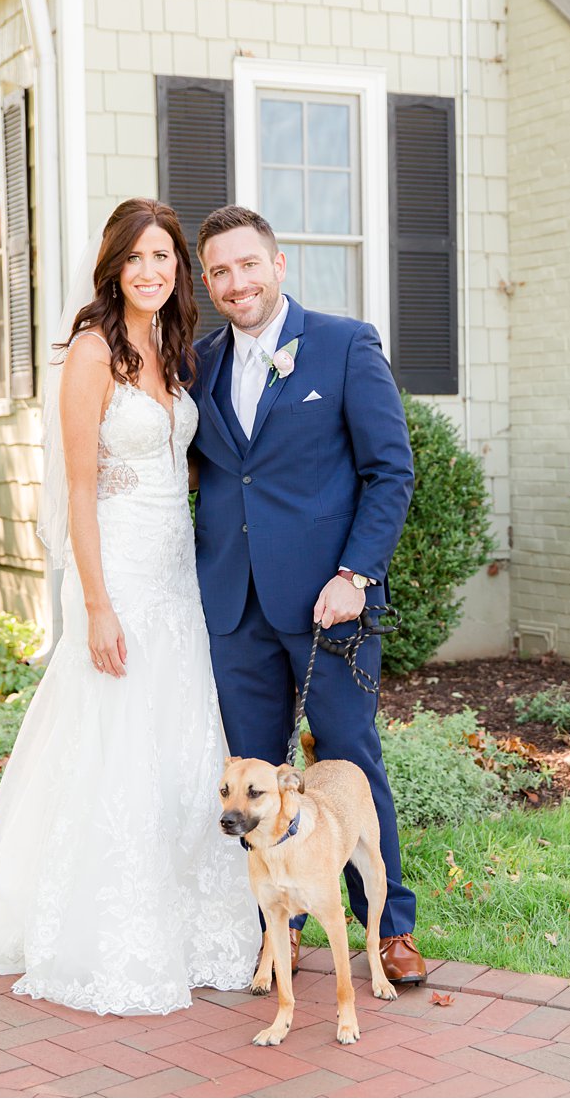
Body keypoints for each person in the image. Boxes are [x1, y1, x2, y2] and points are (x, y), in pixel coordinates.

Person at [0, 199, 260, 1014]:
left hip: (174, 569)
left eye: (165, 258)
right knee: (116, 736)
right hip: (114, 571)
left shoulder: (173, 349)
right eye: (137, 257)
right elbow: (80, 488)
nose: (153, 271)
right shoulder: (92, 352)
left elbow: (181, 467)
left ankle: (192, 924)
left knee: (178, 735)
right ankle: (109, 931)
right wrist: (98, 605)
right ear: (113, 265)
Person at [189, 205, 424, 983]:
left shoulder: (345, 344)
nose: (235, 283)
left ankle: (387, 927)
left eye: (247, 265)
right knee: (254, 779)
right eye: (219, 271)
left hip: (331, 608)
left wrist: (355, 574)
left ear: (278, 264)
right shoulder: (199, 364)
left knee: (352, 764)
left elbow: (389, 470)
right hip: (235, 607)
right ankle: (277, 932)